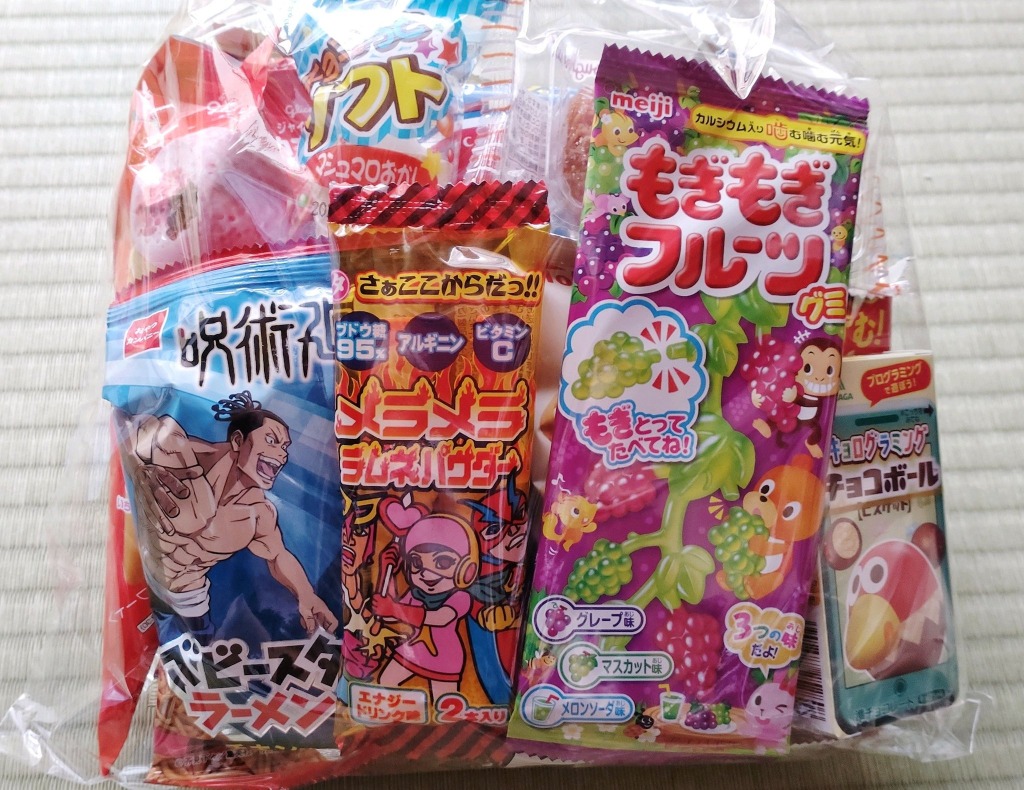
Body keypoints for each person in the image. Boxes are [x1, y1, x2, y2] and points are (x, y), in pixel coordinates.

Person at [113, 391, 337, 644]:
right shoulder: (183, 452)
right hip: (141, 584)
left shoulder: (258, 514)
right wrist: (137, 469)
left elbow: (277, 556)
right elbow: (128, 420)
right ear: (238, 440)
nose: (282, 453)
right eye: (272, 440)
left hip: (190, 600)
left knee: (201, 655)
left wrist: (306, 595)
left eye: (284, 447)